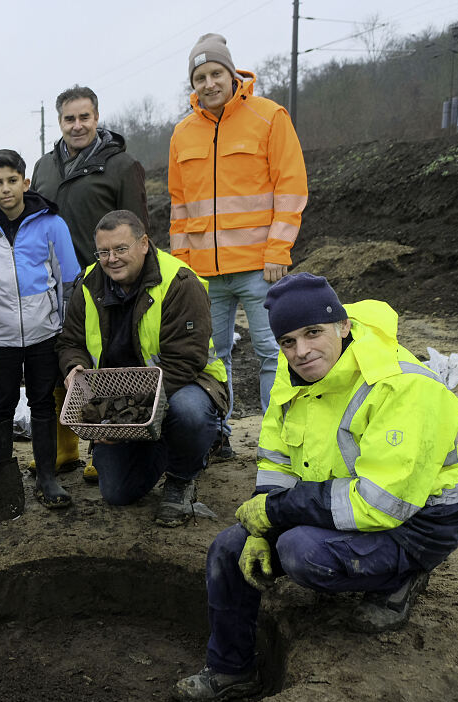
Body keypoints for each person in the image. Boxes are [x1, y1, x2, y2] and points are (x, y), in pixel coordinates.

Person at [173, 273, 458, 702]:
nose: (302, 351)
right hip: (338, 503)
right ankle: (232, 670)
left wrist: (279, 515)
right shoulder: (294, 373)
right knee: (228, 548)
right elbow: (277, 458)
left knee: (301, 552)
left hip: (417, 524)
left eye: (313, 333)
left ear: (343, 326)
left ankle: (402, 577)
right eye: (288, 342)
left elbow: (380, 504)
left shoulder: (402, 386)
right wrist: (260, 527)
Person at [168, 34, 308, 462]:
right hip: (204, 275)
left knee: (274, 353)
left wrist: (278, 251)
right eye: (200, 76)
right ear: (193, 83)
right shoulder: (182, 133)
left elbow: (291, 187)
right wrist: (181, 269)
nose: (209, 83)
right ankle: (218, 436)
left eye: (216, 74)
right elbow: (179, 206)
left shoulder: (269, 117)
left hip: (258, 269)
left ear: (232, 75)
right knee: (211, 356)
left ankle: (276, 439)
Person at [56, 210, 228, 526]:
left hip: (186, 385)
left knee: (187, 412)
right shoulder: (89, 282)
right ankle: (159, 442)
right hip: (120, 398)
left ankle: (182, 476)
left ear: (144, 243)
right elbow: (71, 342)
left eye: (121, 249)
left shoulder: (179, 282)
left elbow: (185, 361)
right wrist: (74, 367)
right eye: (104, 252)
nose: (112, 259)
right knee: (117, 493)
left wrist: (128, 419)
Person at [32, 85, 151, 482]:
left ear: (97, 118)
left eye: (85, 117)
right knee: (59, 358)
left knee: (104, 361)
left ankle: (104, 446)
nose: (77, 125)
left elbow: (137, 227)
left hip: (106, 279)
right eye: (70, 118)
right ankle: (65, 448)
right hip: (54, 282)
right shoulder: (44, 167)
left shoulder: (120, 165)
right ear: (60, 121)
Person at [0, 149, 78, 509]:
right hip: (1, 337)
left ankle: (46, 477)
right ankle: (0, 474)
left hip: (44, 333)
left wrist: (64, 328)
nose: (6, 189)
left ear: (25, 183)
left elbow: (69, 278)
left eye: (12, 181)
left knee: (43, 405)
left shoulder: (51, 223)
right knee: (1, 407)